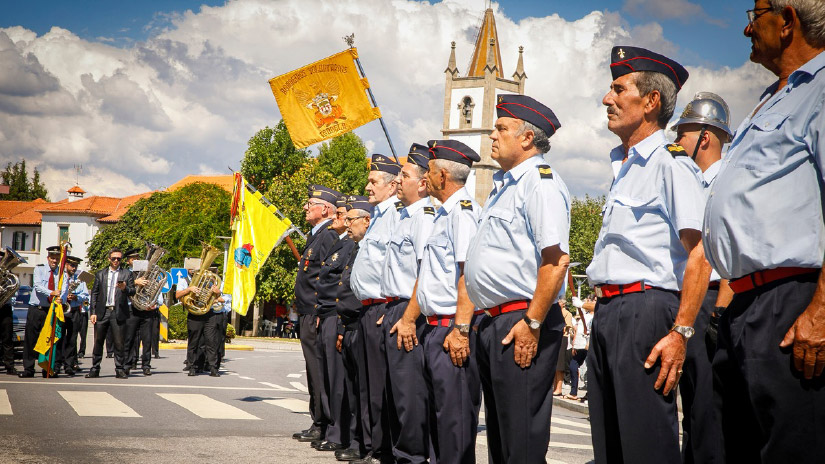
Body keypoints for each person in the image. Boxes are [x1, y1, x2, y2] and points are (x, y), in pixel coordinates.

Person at [704, 2, 825, 461]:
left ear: (788, 19)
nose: (746, 28)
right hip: (747, 302)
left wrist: (821, 310)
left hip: (795, 303)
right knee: (738, 445)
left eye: (756, 14)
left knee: (797, 445)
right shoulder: (775, 97)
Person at [585, 46, 710, 463]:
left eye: (619, 89)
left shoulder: (670, 164)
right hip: (609, 312)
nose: (608, 98)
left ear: (651, 101)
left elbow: (701, 254)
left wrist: (681, 333)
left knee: (645, 446)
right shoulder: (625, 166)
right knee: (611, 447)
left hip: (645, 311)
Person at [464, 94, 571, 463]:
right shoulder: (505, 185)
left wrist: (533, 321)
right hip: (497, 322)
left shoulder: (539, 183)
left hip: (523, 320)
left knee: (520, 441)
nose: (492, 135)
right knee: (502, 440)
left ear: (527, 138)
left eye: (501, 128)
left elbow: (556, 261)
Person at [395, 139, 482, 464]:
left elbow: (466, 276)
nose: (425, 178)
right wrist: (407, 318)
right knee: (434, 422)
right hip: (433, 330)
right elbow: (428, 276)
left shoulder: (463, 214)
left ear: (443, 176)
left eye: (429, 171)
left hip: (451, 331)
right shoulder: (443, 216)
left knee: (453, 425)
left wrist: (461, 330)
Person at [671, 91, 734, 463]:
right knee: (691, 402)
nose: (677, 142)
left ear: (705, 137)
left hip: (714, 300)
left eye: (683, 134)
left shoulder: (725, 179)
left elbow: (727, 249)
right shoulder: (691, 180)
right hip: (691, 299)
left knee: (708, 407)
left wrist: (719, 313)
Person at [382, 144, 435, 464]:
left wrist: (407, 316)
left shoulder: (424, 218)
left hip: (410, 311)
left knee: (409, 395)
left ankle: (412, 458)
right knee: (395, 393)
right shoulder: (404, 215)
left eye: (404, 175)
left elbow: (423, 273)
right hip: (395, 309)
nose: (397, 181)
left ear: (423, 182)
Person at [350, 154, 402, 463]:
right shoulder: (380, 214)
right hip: (368, 309)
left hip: (382, 307)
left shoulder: (395, 214)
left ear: (392, 185)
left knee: (381, 387)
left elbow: (393, 265)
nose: (368, 186)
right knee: (367, 385)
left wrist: (388, 305)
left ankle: (382, 449)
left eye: (374, 181)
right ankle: (370, 446)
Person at [292, 184, 341, 445]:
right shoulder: (317, 235)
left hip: (316, 313)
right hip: (309, 313)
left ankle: (324, 423)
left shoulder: (329, 235)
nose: (306, 207)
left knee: (320, 371)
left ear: (325, 209)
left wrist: (321, 308)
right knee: (314, 371)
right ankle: (318, 421)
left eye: (310, 204)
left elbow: (328, 277)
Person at [311, 193, 353, 453]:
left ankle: (338, 432)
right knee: (327, 377)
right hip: (326, 313)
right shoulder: (339, 242)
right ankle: (331, 428)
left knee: (337, 380)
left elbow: (342, 285)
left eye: (341, 215)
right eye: (336, 213)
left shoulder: (349, 245)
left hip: (336, 315)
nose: (336, 218)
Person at [335, 195, 372, 462]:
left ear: (366, 220)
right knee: (353, 388)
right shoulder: (356, 247)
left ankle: (366, 443)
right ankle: (358, 441)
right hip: (349, 325)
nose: (346, 225)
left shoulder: (368, 247)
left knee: (365, 390)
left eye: (351, 219)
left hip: (362, 324)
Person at [86, 248, 135, 379]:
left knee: (119, 343)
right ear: (109, 259)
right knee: (98, 342)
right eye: (113, 258)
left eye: (118, 259)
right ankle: (95, 368)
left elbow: (133, 291)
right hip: (103, 311)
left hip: (118, 312)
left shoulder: (126, 274)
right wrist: (93, 312)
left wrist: (125, 288)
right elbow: (94, 294)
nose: (116, 261)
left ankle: (119, 369)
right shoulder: (101, 274)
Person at [19, 246, 66, 378]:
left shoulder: (61, 274)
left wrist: (61, 297)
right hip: (37, 309)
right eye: (52, 258)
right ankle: (28, 369)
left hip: (51, 310)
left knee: (49, 340)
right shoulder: (39, 269)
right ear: (48, 258)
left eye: (57, 258)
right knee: (30, 340)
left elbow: (65, 288)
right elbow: (38, 286)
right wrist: (52, 292)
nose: (54, 261)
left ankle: (47, 369)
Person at [176, 264, 222, 377]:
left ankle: (213, 367)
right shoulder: (184, 280)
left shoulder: (210, 279)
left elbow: (217, 297)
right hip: (194, 313)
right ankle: (192, 366)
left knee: (211, 341)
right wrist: (189, 289)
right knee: (194, 341)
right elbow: (177, 295)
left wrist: (217, 292)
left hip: (208, 312)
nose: (194, 270)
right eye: (192, 268)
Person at [123, 248, 158, 376]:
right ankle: (127, 364)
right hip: (132, 309)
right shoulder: (126, 273)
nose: (136, 260)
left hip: (146, 310)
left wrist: (153, 303)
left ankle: (146, 365)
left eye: (138, 258)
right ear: (128, 262)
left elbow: (155, 289)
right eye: (133, 259)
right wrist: (135, 283)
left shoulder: (146, 273)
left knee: (147, 340)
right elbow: (122, 289)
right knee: (130, 339)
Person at [59, 255, 89, 377]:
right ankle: (56, 365)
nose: (73, 268)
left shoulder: (79, 279)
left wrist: (77, 297)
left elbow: (86, 295)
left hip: (74, 310)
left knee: (72, 339)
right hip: (61, 310)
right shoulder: (60, 278)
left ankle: (69, 365)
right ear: (66, 265)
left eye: (75, 266)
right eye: (71, 265)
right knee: (59, 338)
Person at [567, 297, 593, 401]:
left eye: (589, 301)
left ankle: (590, 393)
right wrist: (574, 345)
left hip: (591, 346)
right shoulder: (584, 316)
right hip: (581, 346)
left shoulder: (598, 315)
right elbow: (578, 331)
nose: (587, 302)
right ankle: (573, 392)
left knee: (590, 370)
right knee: (573, 366)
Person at [554, 299, 573, 396]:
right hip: (553, 338)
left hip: (562, 338)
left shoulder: (567, 314)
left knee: (559, 364)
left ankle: (559, 388)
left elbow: (568, 326)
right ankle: (554, 387)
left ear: (563, 304)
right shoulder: (554, 312)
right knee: (553, 364)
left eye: (559, 302)